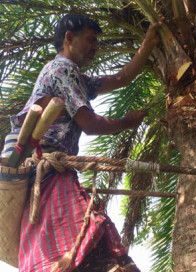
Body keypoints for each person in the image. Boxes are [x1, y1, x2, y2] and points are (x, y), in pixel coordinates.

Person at [1, 14, 161, 272]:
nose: (95, 46)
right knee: (83, 236)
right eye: (90, 40)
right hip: (48, 168)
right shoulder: (63, 70)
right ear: (69, 38)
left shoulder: (77, 78)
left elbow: (121, 79)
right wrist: (126, 123)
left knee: (80, 238)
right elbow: (89, 123)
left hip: (49, 171)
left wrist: (149, 44)